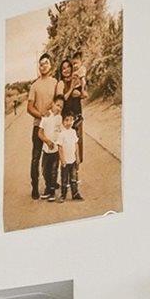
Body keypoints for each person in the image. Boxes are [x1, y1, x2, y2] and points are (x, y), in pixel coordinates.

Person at [17, 53, 61, 200]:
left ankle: (51, 183)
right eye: (41, 64)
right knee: (36, 158)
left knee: (53, 155)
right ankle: (35, 187)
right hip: (38, 127)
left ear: (51, 65)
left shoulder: (55, 82)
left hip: (52, 127)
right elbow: (29, 108)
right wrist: (42, 116)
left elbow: (59, 101)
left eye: (46, 63)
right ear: (39, 67)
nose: (43, 66)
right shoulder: (34, 85)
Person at [59, 56, 88, 198]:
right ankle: (65, 190)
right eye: (63, 68)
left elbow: (85, 95)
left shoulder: (77, 78)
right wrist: (71, 89)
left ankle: (75, 190)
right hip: (66, 123)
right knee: (65, 154)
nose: (66, 70)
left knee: (77, 155)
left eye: (68, 67)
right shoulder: (60, 83)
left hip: (77, 120)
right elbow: (62, 98)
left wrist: (81, 93)